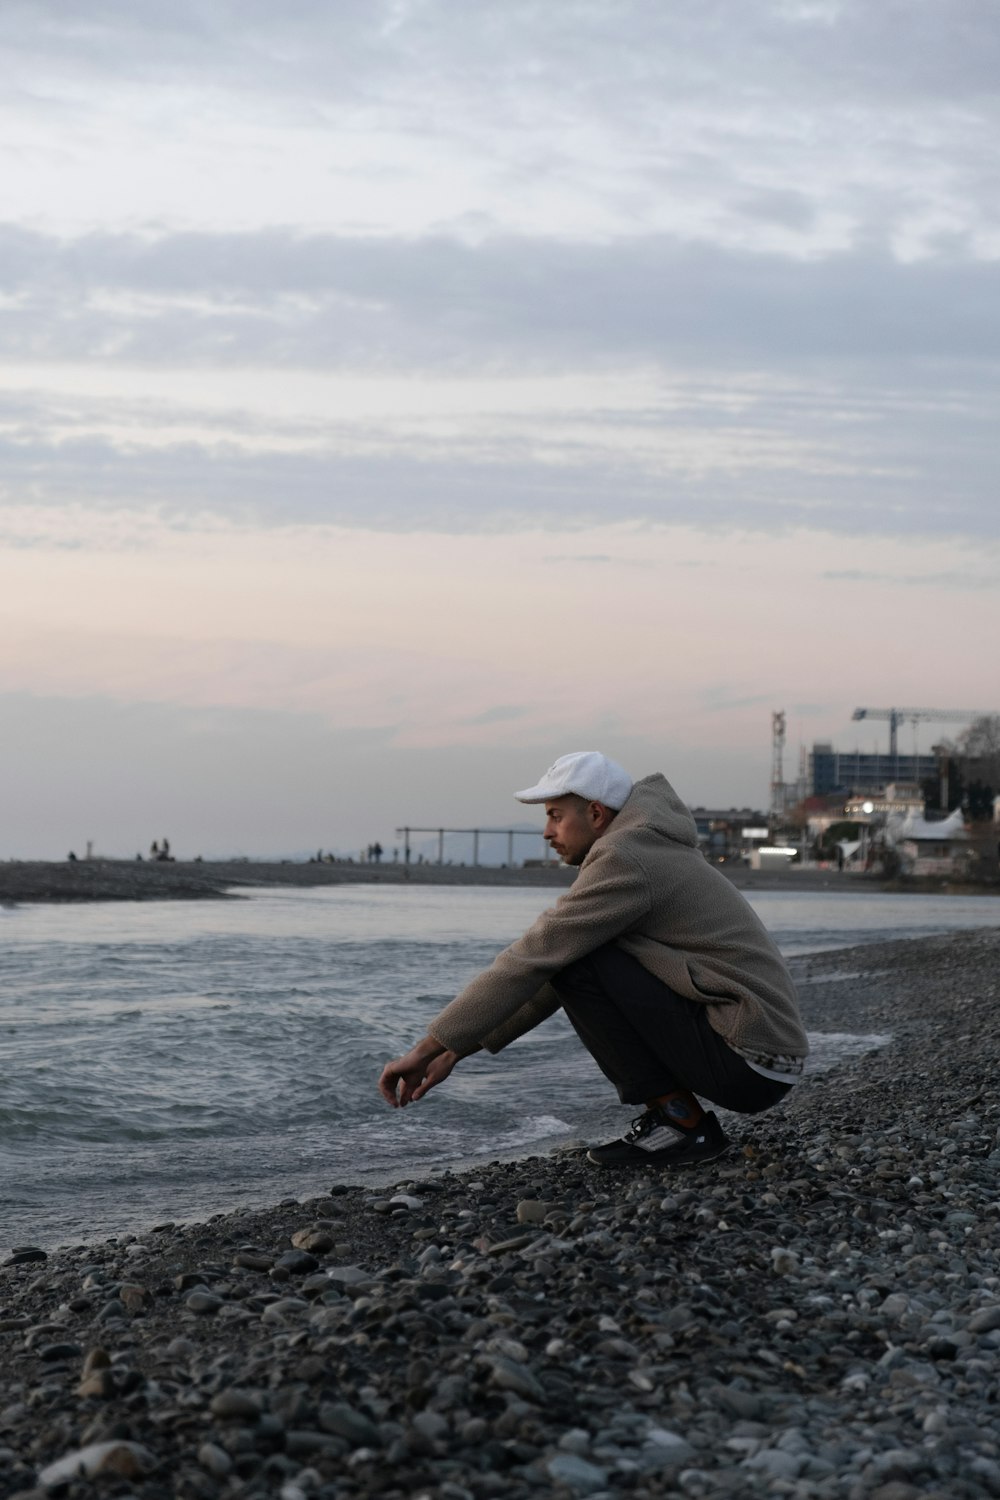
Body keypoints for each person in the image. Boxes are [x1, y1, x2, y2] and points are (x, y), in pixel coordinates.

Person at [378, 751, 808, 1169]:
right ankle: (680, 1123)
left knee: (573, 957)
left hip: (750, 1058)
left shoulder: (626, 856)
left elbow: (533, 957)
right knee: (577, 955)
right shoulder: (647, 846)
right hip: (764, 1055)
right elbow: (550, 970)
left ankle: (681, 1125)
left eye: (555, 816)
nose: (547, 832)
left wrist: (425, 1048)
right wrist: (455, 1049)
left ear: (597, 814)